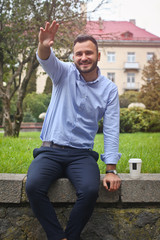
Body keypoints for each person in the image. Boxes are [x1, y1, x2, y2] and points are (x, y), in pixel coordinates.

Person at [26, 20, 121, 240]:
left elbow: (111, 129)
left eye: (88, 53)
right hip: (50, 151)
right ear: (73, 57)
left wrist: (110, 169)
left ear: (98, 56)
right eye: (78, 54)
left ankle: (71, 235)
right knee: (33, 186)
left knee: (89, 190)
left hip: (81, 155)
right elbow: (45, 58)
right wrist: (44, 45)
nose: (83, 57)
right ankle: (57, 237)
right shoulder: (63, 73)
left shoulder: (109, 90)